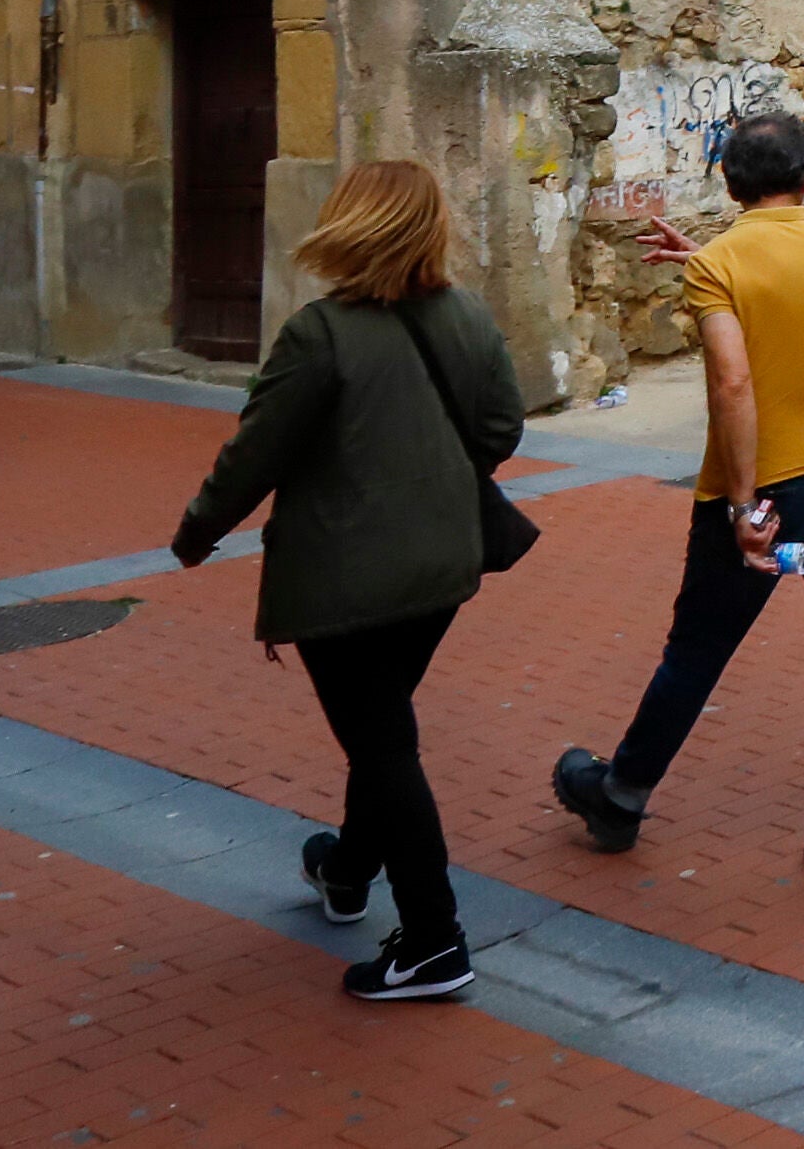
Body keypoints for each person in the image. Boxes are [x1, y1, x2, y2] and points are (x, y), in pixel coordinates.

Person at [171, 159, 524, 1003]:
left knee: (382, 743)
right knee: (382, 729)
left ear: (348, 223)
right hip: (444, 566)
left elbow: (257, 451)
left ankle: (434, 939)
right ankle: (347, 866)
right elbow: (503, 425)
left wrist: (197, 531)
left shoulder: (318, 333)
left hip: (345, 579)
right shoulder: (468, 314)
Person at [553, 108, 804, 879]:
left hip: (765, 509)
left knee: (699, 646)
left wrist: (746, 508)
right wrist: (707, 263)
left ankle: (621, 795)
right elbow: (786, 291)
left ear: (728, 178)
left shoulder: (719, 266)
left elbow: (733, 379)